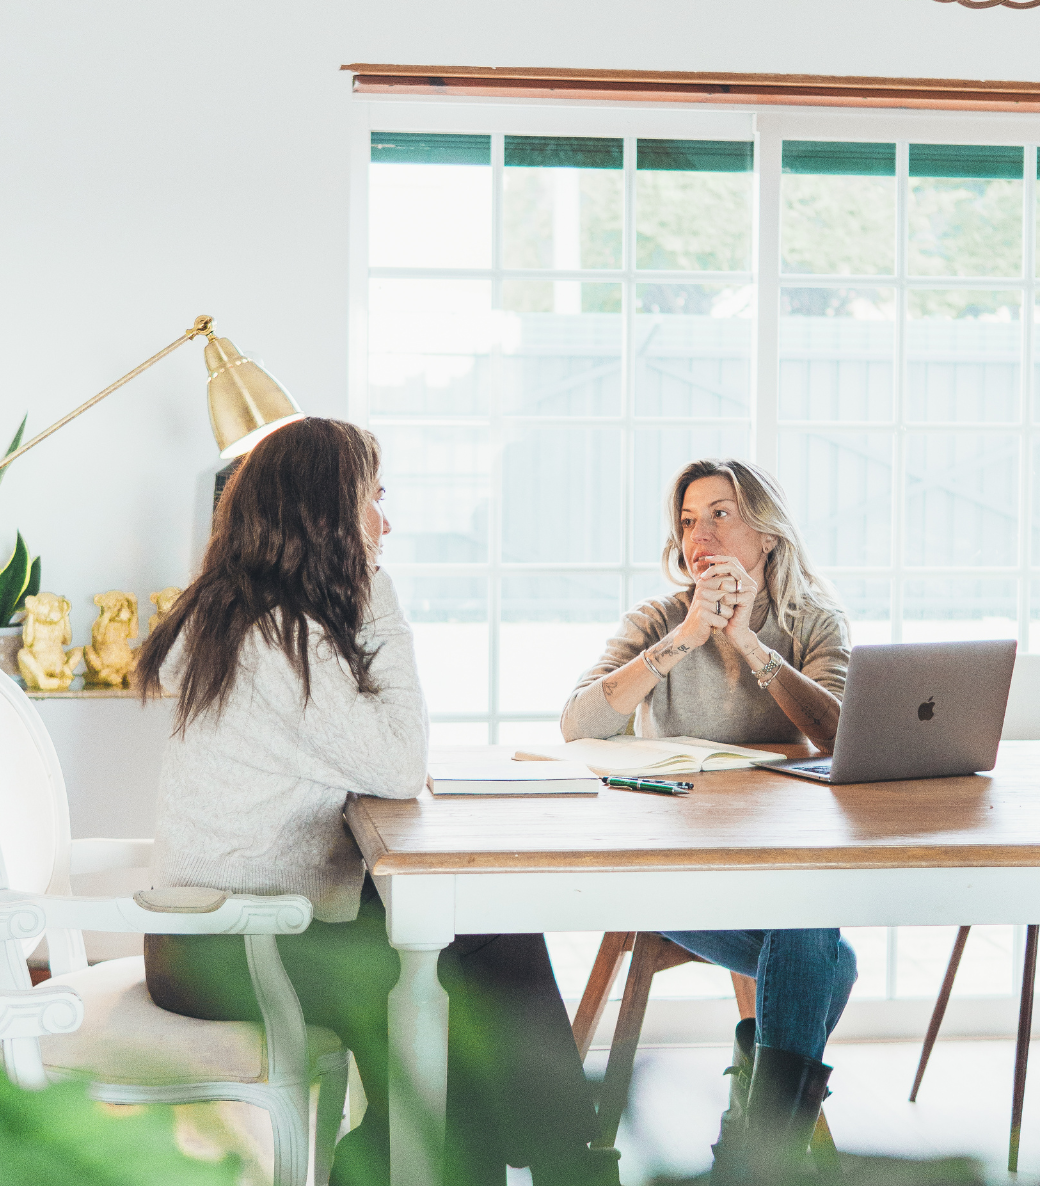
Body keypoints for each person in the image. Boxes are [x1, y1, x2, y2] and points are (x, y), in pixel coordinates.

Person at [137, 418, 618, 1186]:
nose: (385, 524)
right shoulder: (277, 642)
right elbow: (398, 765)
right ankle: (568, 1166)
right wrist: (381, 599)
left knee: (485, 932)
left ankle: (537, 1165)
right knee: (461, 976)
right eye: (374, 499)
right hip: (232, 946)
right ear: (325, 514)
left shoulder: (253, 619)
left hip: (229, 929)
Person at [561, 457, 858, 1181]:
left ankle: (751, 1153)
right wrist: (689, 635)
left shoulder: (814, 622)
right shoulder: (658, 620)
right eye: (689, 521)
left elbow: (839, 735)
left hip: (776, 863)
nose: (701, 536)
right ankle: (762, 1156)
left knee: (810, 929)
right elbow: (578, 723)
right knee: (827, 957)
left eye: (721, 515)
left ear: (766, 532)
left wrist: (750, 645)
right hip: (668, 869)